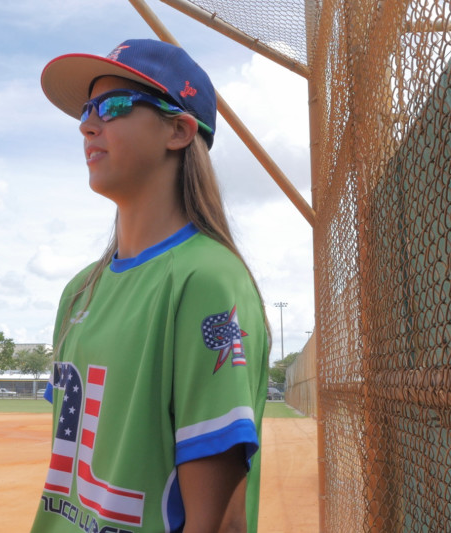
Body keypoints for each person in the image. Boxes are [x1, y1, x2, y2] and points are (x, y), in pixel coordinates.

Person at [32, 39, 270, 533]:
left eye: (114, 106)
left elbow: (220, 520)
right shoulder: (80, 290)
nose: (87, 124)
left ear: (179, 131)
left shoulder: (206, 278)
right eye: (86, 110)